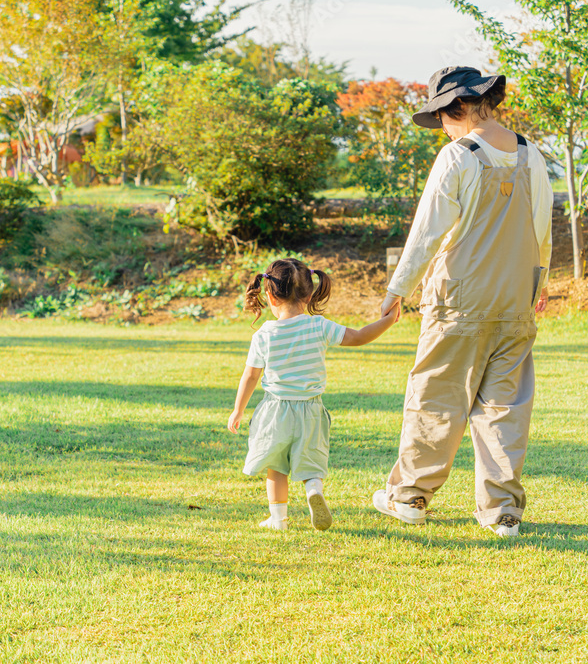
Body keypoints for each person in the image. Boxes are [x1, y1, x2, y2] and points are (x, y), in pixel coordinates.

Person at [371, 66, 553, 537]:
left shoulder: (458, 157)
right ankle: (502, 512)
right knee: (504, 408)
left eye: (443, 119)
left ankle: (410, 496)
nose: (443, 131)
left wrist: (397, 290)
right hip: (516, 299)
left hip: (459, 300)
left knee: (436, 397)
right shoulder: (532, 154)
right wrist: (540, 284)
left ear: (458, 109)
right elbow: (542, 230)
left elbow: (426, 233)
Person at [228, 258, 400, 531]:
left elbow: (250, 376)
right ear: (309, 295)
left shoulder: (264, 334)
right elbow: (358, 336)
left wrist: (238, 410)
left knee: (276, 466)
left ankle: (278, 519)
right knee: (310, 462)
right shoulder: (319, 326)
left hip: (276, 411)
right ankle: (313, 490)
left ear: (269, 295)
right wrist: (388, 321)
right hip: (311, 410)